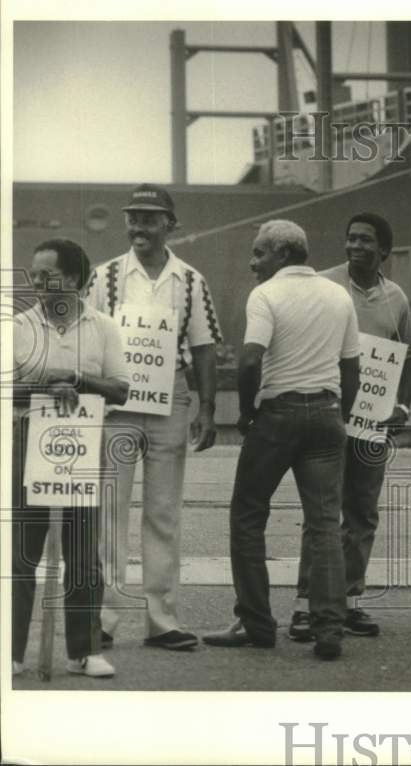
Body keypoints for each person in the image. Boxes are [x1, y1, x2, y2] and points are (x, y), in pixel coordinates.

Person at [203, 220, 360, 661]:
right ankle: (329, 627)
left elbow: (251, 358)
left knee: (249, 516)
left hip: (278, 414)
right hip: (327, 413)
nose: (253, 263)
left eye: (258, 253)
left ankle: (257, 623)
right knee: (326, 523)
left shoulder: (267, 295)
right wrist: (339, 414)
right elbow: (352, 367)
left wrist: (249, 411)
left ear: (282, 253)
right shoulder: (338, 295)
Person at [86, 184, 221, 651]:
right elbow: (87, 342)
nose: (138, 226)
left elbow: (204, 347)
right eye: (133, 217)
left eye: (149, 217)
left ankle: (162, 620)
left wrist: (207, 406)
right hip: (117, 405)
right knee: (110, 513)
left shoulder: (190, 280)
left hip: (171, 400)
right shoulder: (103, 278)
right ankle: (102, 618)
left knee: (163, 512)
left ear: (170, 224)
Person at [288, 212, 411, 640]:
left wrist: (401, 404)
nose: (356, 246)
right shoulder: (322, 285)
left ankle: (347, 600)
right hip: (326, 414)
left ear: (384, 251)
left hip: (372, 420)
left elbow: (408, 356)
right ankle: (307, 605)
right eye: (351, 239)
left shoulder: (396, 297)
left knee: (362, 512)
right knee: (322, 512)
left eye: (366, 241)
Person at [11, 239, 129, 678]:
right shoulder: (20, 326)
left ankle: (85, 650)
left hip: (83, 445)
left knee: (82, 554)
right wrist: (46, 386)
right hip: (28, 441)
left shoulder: (103, 327)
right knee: (22, 555)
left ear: (76, 280)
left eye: (48, 275)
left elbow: (120, 388)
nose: (39, 284)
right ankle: (13, 651)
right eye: (35, 275)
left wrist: (79, 379)